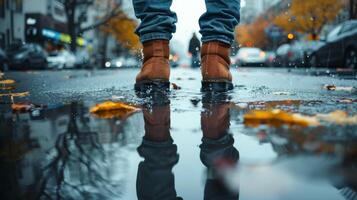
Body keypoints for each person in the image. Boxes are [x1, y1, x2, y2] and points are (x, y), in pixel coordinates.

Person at [133, 0, 240, 92]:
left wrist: (190, 50)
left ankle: (155, 63)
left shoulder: (191, 39)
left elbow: (191, 45)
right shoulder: (195, 39)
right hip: (199, 51)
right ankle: (216, 63)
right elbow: (196, 45)